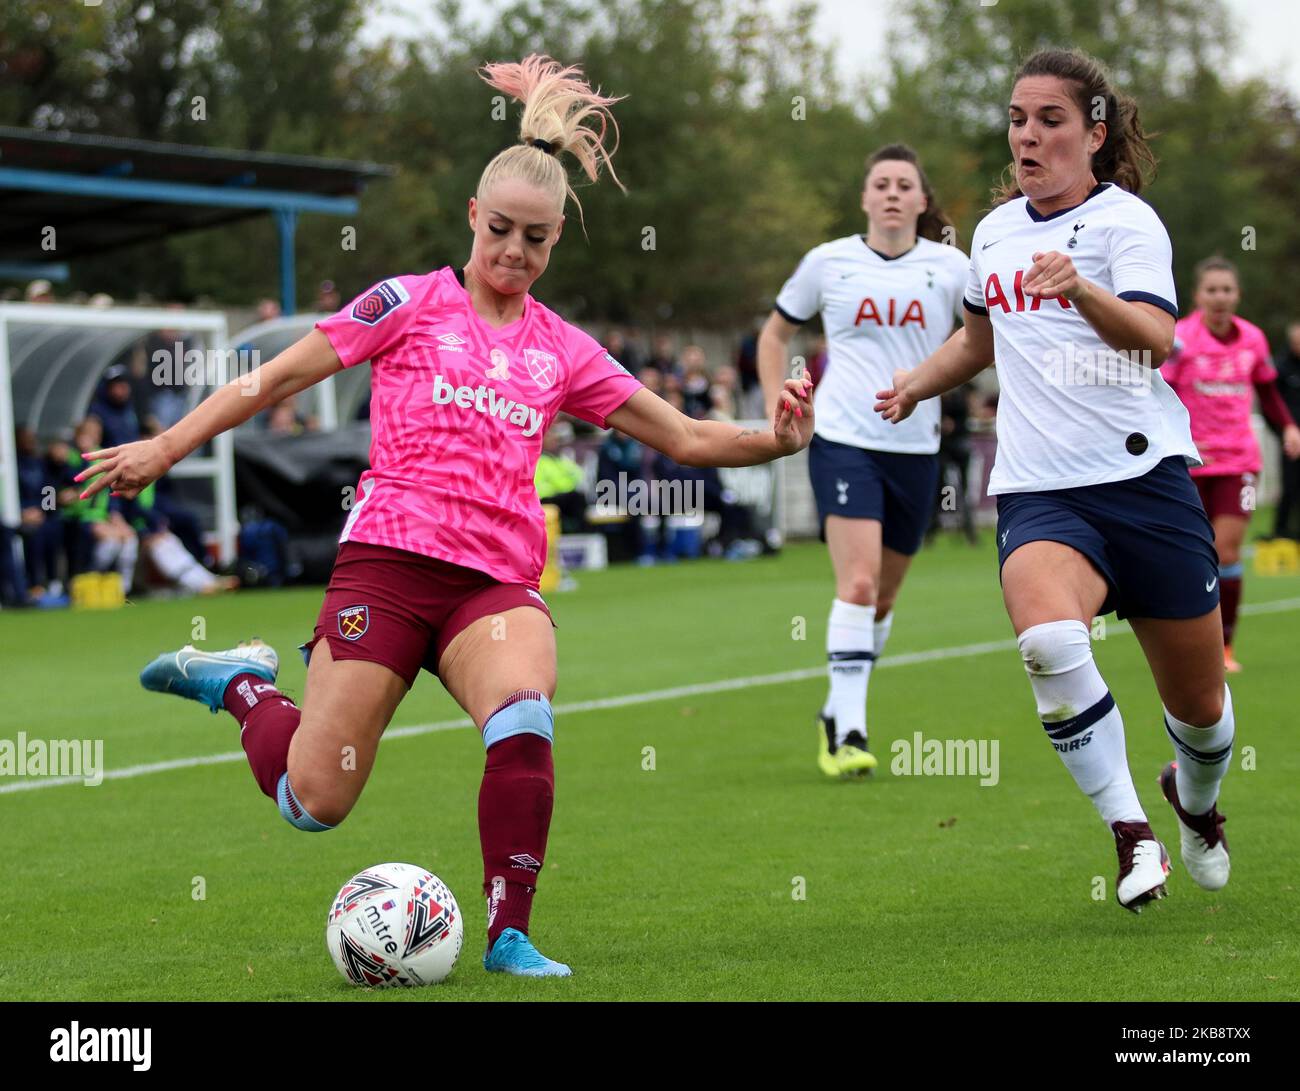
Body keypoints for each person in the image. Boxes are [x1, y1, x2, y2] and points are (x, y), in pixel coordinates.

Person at [77, 54, 813, 979]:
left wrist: (776, 441)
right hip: (383, 569)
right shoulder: (404, 303)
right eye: (501, 228)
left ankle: (509, 933)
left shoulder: (564, 350)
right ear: (473, 216)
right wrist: (164, 448)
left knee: (523, 718)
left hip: (493, 587)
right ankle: (240, 687)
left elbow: (689, 439)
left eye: (536, 239)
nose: (515, 250)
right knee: (314, 802)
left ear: (554, 244)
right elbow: (273, 378)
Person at [877, 48, 1234, 913]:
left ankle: (1197, 802)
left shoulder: (1128, 224)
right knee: (1046, 642)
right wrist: (913, 385)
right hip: (1042, 489)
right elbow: (978, 338)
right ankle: (1130, 831)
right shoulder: (995, 232)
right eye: (1017, 118)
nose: (1027, 136)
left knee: (1204, 715)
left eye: (1051, 120)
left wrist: (1079, 289)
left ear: (1094, 131)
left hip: (1145, 481)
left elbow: (1153, 336)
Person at [759, 143, 969, 779]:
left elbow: (983, 337)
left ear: (923, 201)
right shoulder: (829, 262)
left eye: (906, 184)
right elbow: (775, 333)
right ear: (864, 198)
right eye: (881, 183)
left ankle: (834, 706)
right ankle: (849, 729)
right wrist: (778, 397)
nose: (893, 193)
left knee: (882, 597)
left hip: (916, 445)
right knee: (855, 584)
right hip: (844, 438)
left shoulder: (953, 267)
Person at [1161, 257, 1300, 671]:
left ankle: (1224, 646)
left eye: (1227, 290)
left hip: (1239, 461)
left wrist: (1289, 427)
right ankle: (1184, 643)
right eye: (1211, 290)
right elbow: (1159, 392)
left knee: (1226, 550)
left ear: (1237, 295)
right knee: (1188, 555)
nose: (1220, 298)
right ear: (1198, 295)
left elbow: (1268, 391)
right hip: (1187, 461)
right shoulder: (1180, 339)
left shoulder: (1253, 340)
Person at [1270, 320, 1300, 539]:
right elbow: (1270, 404)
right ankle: (1280, 531)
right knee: (1290, 486)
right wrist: (1282, 433)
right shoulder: (1280, 368)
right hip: (1290, 439)